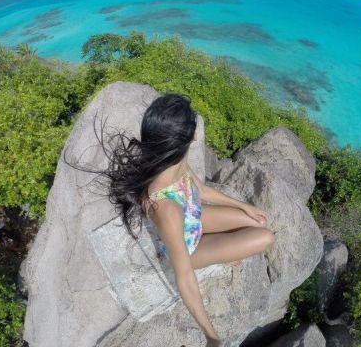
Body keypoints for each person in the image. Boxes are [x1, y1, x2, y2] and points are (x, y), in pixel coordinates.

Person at [80, 93, 275, 346]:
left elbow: (200, 191)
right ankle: (218, 253)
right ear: (191, 137)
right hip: (189, 248)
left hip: (194, 217)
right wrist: (211, 336)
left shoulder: (173, 161)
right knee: (266, 237)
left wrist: (242, 206)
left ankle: (225, 247)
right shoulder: (165, 208)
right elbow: (184, 278)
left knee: (257, 222)